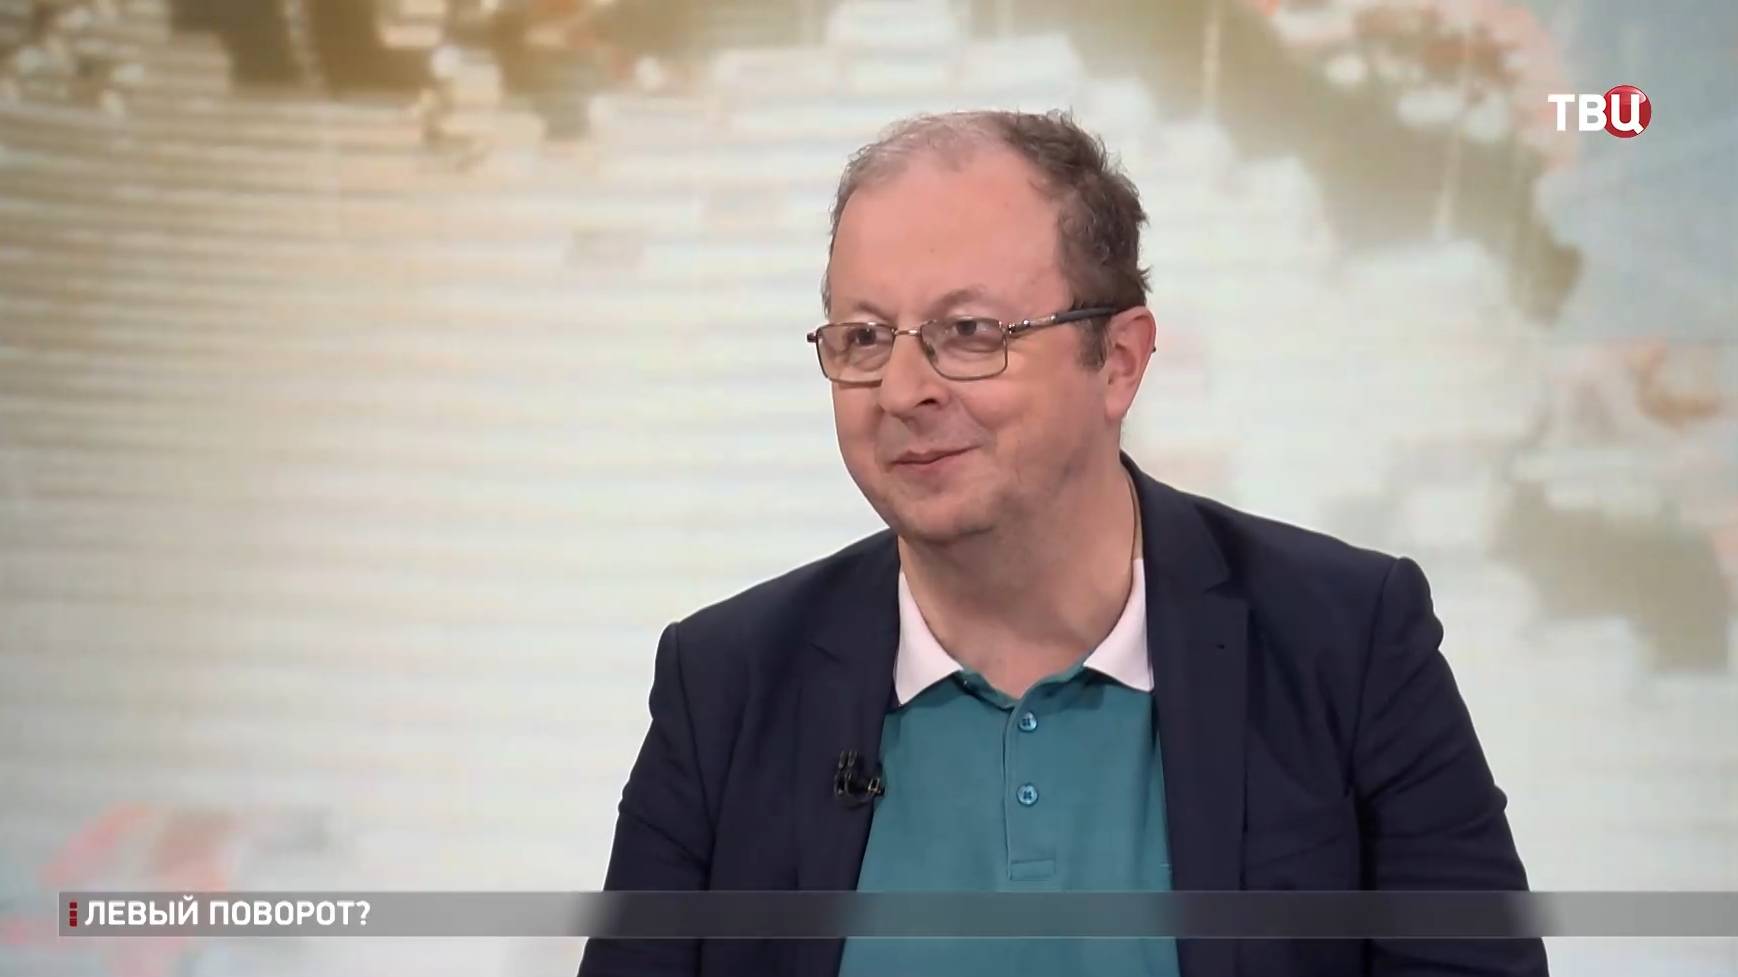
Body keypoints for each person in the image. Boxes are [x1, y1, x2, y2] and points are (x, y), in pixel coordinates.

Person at [578, 109, 1548, 977]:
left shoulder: (1345, 640)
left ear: (1118, 361)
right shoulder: (727, 682)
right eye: (864, 338)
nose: (904, 390)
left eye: (969, 331)